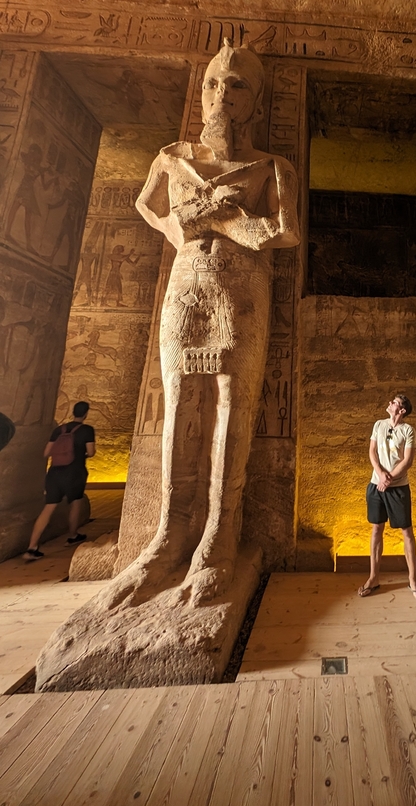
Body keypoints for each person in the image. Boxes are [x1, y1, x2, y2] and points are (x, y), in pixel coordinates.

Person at [99, 35, 300, 608]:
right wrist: (180, 224)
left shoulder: (270, 167)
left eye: (237, 86)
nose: (221, 94)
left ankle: (218, 533)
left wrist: (227, 218)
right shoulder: (173, 158)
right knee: (180, 403)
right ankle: (169, 533)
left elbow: (285, 231)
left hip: (241, 289)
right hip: (186, 285)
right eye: (214, 83)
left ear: (254, 100)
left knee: (232, 407)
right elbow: (147, 206)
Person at [358, 395, 416, 601]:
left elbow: (407, 461)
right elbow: (372, 452)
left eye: (394, 402)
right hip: (376, 485)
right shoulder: (379, 424)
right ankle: (373, 578)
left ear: (402, 410)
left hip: (398, 488)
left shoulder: (408, 430)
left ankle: (413, 580)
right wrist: (380, 475)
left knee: (407, 532)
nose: (390, 403)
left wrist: (389, 480)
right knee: (376, 529)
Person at [24, 400, 95, 560]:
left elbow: (46, 453)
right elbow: (91, 452)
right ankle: (73, 535)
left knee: (48, 508)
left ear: (73, 412)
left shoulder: (59, 430)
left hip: (54, 473)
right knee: (75, 503)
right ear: (85, 414)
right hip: (75, 472)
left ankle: (32, 547)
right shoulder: (87, 430)